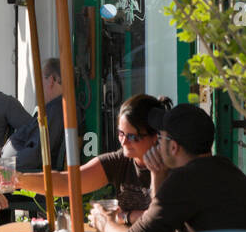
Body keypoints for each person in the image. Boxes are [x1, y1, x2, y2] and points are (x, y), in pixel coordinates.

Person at [88, 103, 246, 232]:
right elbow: (158, 224)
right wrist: (158, 175)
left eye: (160, 138)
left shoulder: (184, 180)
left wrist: (103, 222)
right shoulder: (223, 166)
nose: (157, 145)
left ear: (174, 147)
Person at [10, 92, 166, 219]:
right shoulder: (120, 161)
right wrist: (20, 180)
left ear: (155, 136)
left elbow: (161, 218)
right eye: (121, 133)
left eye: (133, 137)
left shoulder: (171, 164)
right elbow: (68, 181)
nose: (124, 142)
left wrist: (125, 216)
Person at [0, 58, 65, 171]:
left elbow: (37, 154)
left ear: (51, 80)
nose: (37, 86)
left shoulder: (55, 111)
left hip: (16, 176)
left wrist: (1, 165)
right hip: (12, 169)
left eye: (40, 80)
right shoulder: (51, 109)